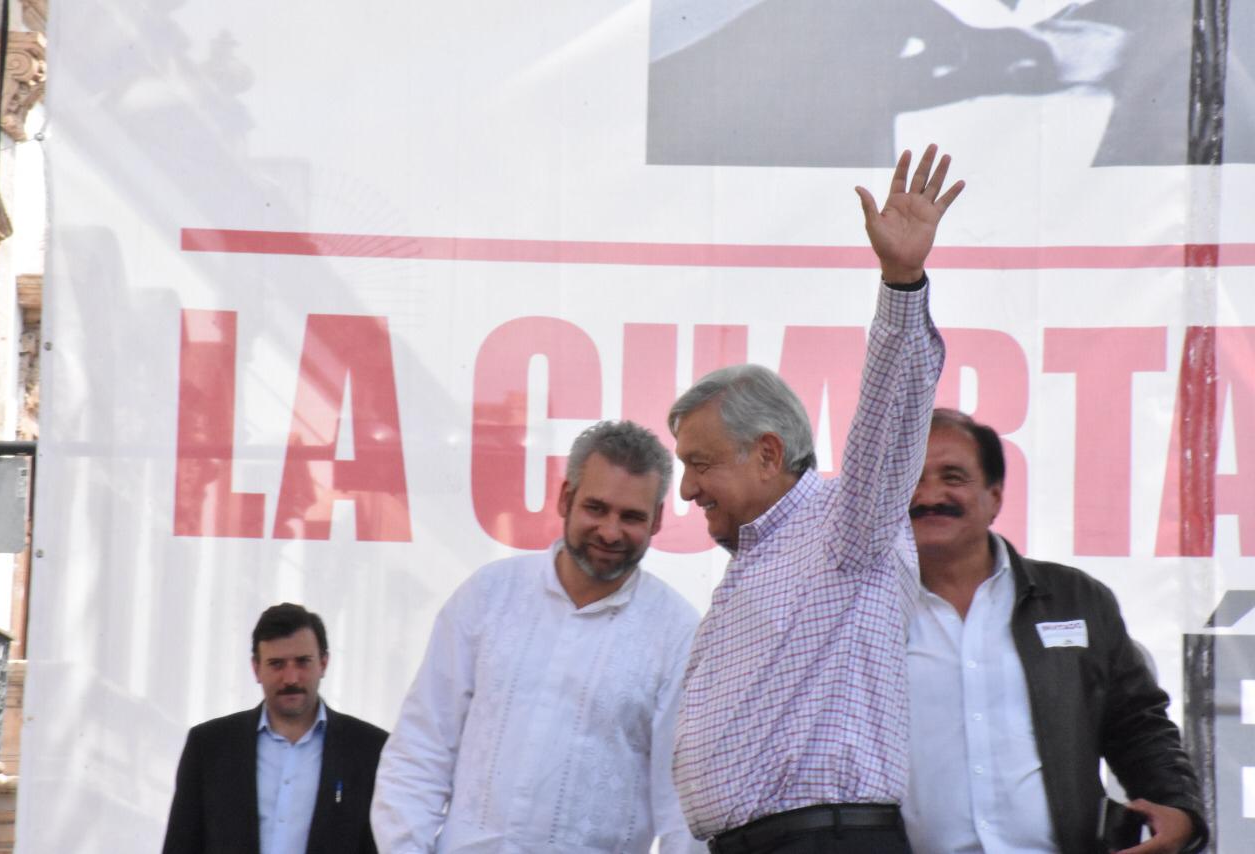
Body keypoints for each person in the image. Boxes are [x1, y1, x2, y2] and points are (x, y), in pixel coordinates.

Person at [670, 145, 962, 853]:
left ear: (768, 453)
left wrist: (901, 284)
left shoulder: (843, 527)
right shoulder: (755, 560)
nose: (686, 489)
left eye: (700, 464)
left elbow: (889, 423)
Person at [371, 420, 703, 853]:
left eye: (631, 516)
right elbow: (420, 751)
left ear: (657, 520)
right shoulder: (489, 596)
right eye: (596, 508)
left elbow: (683, 810)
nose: (610, 532)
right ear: (566, 498)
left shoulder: (677, 635)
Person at [903, 409, 1208, 854]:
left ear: (995, 497)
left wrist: (1179, 810)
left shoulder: (1075, 599)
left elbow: (1136, 724)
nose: (930, 495)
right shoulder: (859, 613)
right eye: (912, 479)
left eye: (953, 477)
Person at [163, 603, 389, 854]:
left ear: (324, 664)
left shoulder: (370, 751)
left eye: (302, 662)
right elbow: (180, 845)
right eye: (277, 664)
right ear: (256, 668)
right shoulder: (209, 747)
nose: (291, 678)